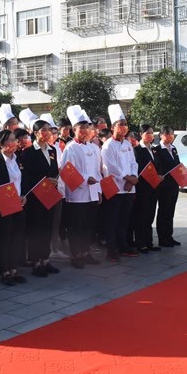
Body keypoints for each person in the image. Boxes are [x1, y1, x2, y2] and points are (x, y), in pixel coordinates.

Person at [60, 106, 103, 269]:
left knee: (88, 226)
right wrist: (86, 179)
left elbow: (98, 171)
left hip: (92, 193)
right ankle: (75, 255)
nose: (85, 130)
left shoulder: (94, 147)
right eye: (81, 127)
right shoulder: (71, 148)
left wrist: (98, 190)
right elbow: (66, 171)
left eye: (87, 127)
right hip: (77, 194)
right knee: (76, 227)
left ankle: (86, 253)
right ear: (74, 130)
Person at [20, 119, 61, 277]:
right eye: (43, 130)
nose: (47, 132)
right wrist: (43, 181)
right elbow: (27, 176)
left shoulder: (52, 150)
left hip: (49, 194)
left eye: (49, 129)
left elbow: (53, 169)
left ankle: (45, 259)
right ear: (36, 133)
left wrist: (54, 179)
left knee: (47, 228)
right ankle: (36, 262)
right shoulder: (29, 152)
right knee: (36, 229)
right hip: (36, 196)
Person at [0, 129, 28, 285]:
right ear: (0, 144)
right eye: (9, 140)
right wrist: (10, 198)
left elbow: (22, 182)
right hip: (2, 207)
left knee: (17, 238)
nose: (13, 143)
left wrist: (23, 195)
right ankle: (5, 271)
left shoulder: (18, 160)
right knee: (4, 239)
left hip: (19, 205)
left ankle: (14, 269)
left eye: (14, 140)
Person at [100, 104, 139, 262]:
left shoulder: (127, 144)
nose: (123, 127)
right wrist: (128, 178)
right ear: (112, 127)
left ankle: (123, 246)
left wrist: (134, 177)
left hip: (129, 188)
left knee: (124, 220)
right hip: (115, 188)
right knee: (112, 220)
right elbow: (111, 167)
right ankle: (111, 250)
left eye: (125, 124)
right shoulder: (108, 145)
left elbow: (133, 163)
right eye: (120, 124)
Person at [134, 124, 162, 253]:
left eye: (152, 133)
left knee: (150, 215)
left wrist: (159, 175)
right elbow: (138, 168)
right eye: (147, 133)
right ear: (141, 134)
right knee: (141, 215)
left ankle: (149, 242)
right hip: (143, 187)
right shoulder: (137, 150)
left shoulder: (154, 149)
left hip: (154, 187)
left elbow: (158, 166)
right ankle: (140, 243)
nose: (150, 135)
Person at [153, 126, 182, 248]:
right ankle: (162, 238)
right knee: (163, 211)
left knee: (170, 211)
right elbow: (158, 168)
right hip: (164, 185)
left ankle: (169, 236)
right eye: (167, 134)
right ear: (160, 135)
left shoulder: (173, 148)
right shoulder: (157, 150)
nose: (170, 136)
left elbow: (177, 164)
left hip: (174, 184)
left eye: (171, 134)